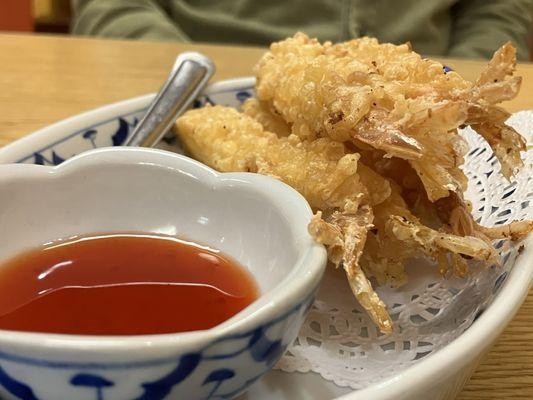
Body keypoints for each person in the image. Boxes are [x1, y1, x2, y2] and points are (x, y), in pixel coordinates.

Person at [71, 0, 533, 60]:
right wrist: (186, 73)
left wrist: (460, 87)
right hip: (195, 72)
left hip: (428, 77)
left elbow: (499, 9)